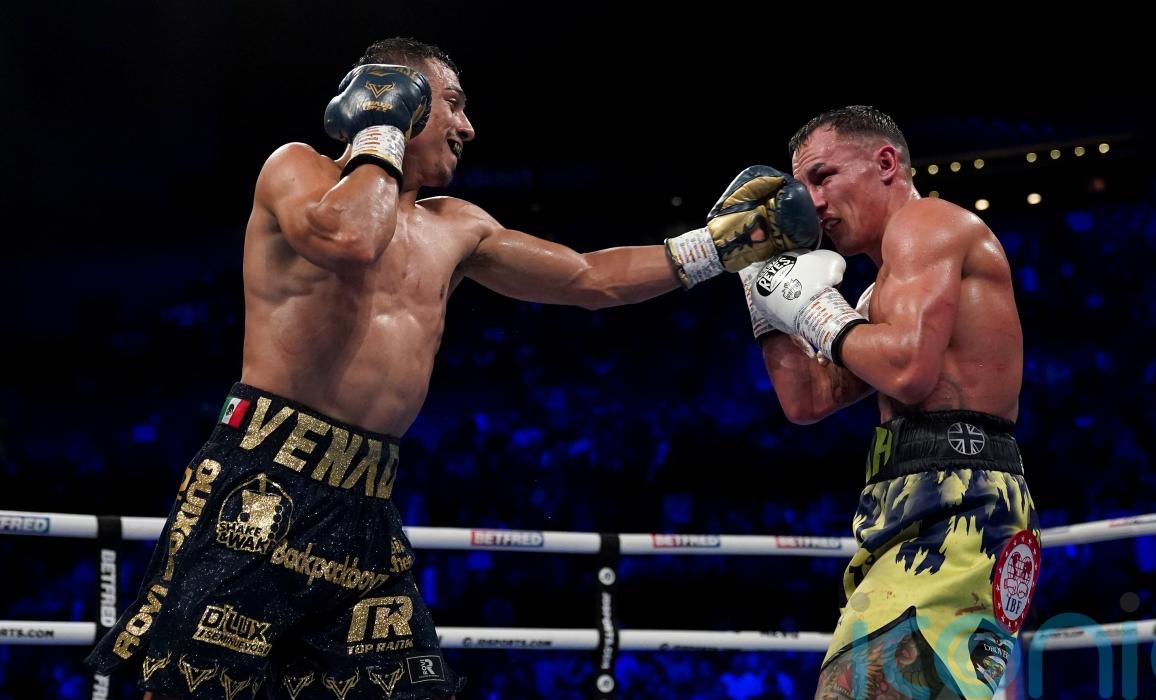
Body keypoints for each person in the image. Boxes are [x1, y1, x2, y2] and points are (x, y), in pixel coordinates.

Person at [84, 37, 821, 699]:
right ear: (400, 98)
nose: (468, 127)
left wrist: (719, 245)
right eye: (454, 104)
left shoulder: (457, 225)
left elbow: (588, 278)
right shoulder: (296, 169)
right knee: (189, 688)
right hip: (261, 483)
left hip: (364, 507)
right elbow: (352, 240)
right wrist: (380, 130)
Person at [742, 106, 1040, 699]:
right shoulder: (882, 292)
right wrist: (759, 286)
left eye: (823, 177)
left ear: (885, 163)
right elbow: (808, 399)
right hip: (916, 502)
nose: (812, 204)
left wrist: (815, 310)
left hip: (958, 506)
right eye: (802, 188)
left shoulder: (928, 222)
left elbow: (906, 370)